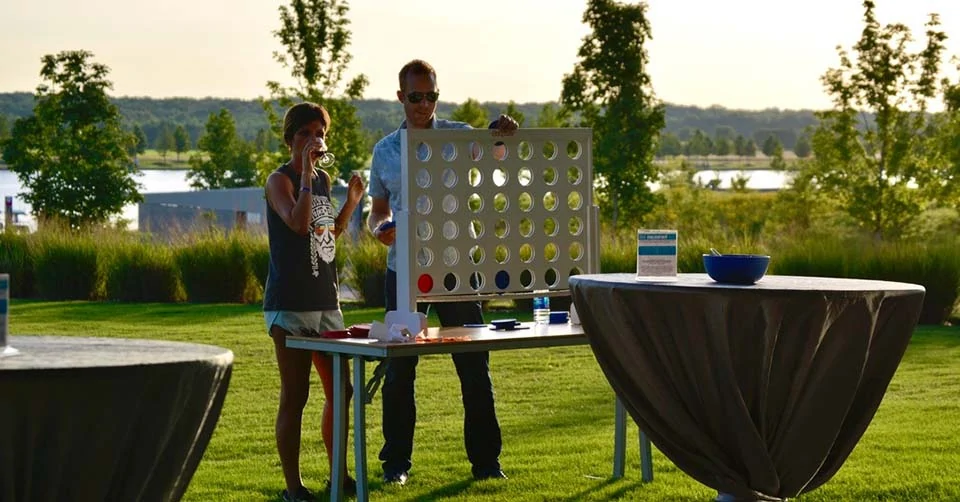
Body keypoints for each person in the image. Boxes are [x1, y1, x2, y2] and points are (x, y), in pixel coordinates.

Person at [366, 59, 519, 486]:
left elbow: (495, 154)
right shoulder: (385, 150)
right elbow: (377, 211)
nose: (424, 104)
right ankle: (396, 465)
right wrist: (380, 229)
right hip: (404, 270)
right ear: (401, 97)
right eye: (416, 97)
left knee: (474, 365)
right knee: (400, 370)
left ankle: (487, 465)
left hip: (458, 267)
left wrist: (503, 134)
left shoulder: (458, 136)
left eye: (431, 95)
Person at [263, 102, 364, 502]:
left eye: (318, 133)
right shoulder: (280, 180)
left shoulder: (321, 180)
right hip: (289, 306)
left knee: (342, 392)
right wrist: (305, 173)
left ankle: (337, 475)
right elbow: (297, 223)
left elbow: (323, 237)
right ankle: (293, 489)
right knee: (296, 395)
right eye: (304, 134)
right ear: (290, 139)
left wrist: (352, 203)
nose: (313, 140)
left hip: (326, 303)